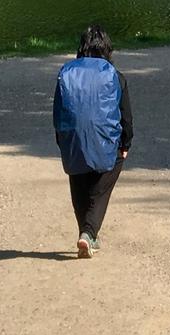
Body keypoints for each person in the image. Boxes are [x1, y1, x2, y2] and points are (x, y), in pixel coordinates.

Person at [53, 23, 132, 259]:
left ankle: (85, 234)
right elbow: (125, 116)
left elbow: (58, 111)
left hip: (72, 138)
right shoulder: (115, 76)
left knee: (78, 176)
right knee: (104, 179)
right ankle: (88, 233)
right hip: (105, 142)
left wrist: (62, 141)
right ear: (107, 49)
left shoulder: (66, 72)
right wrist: (125, 144)